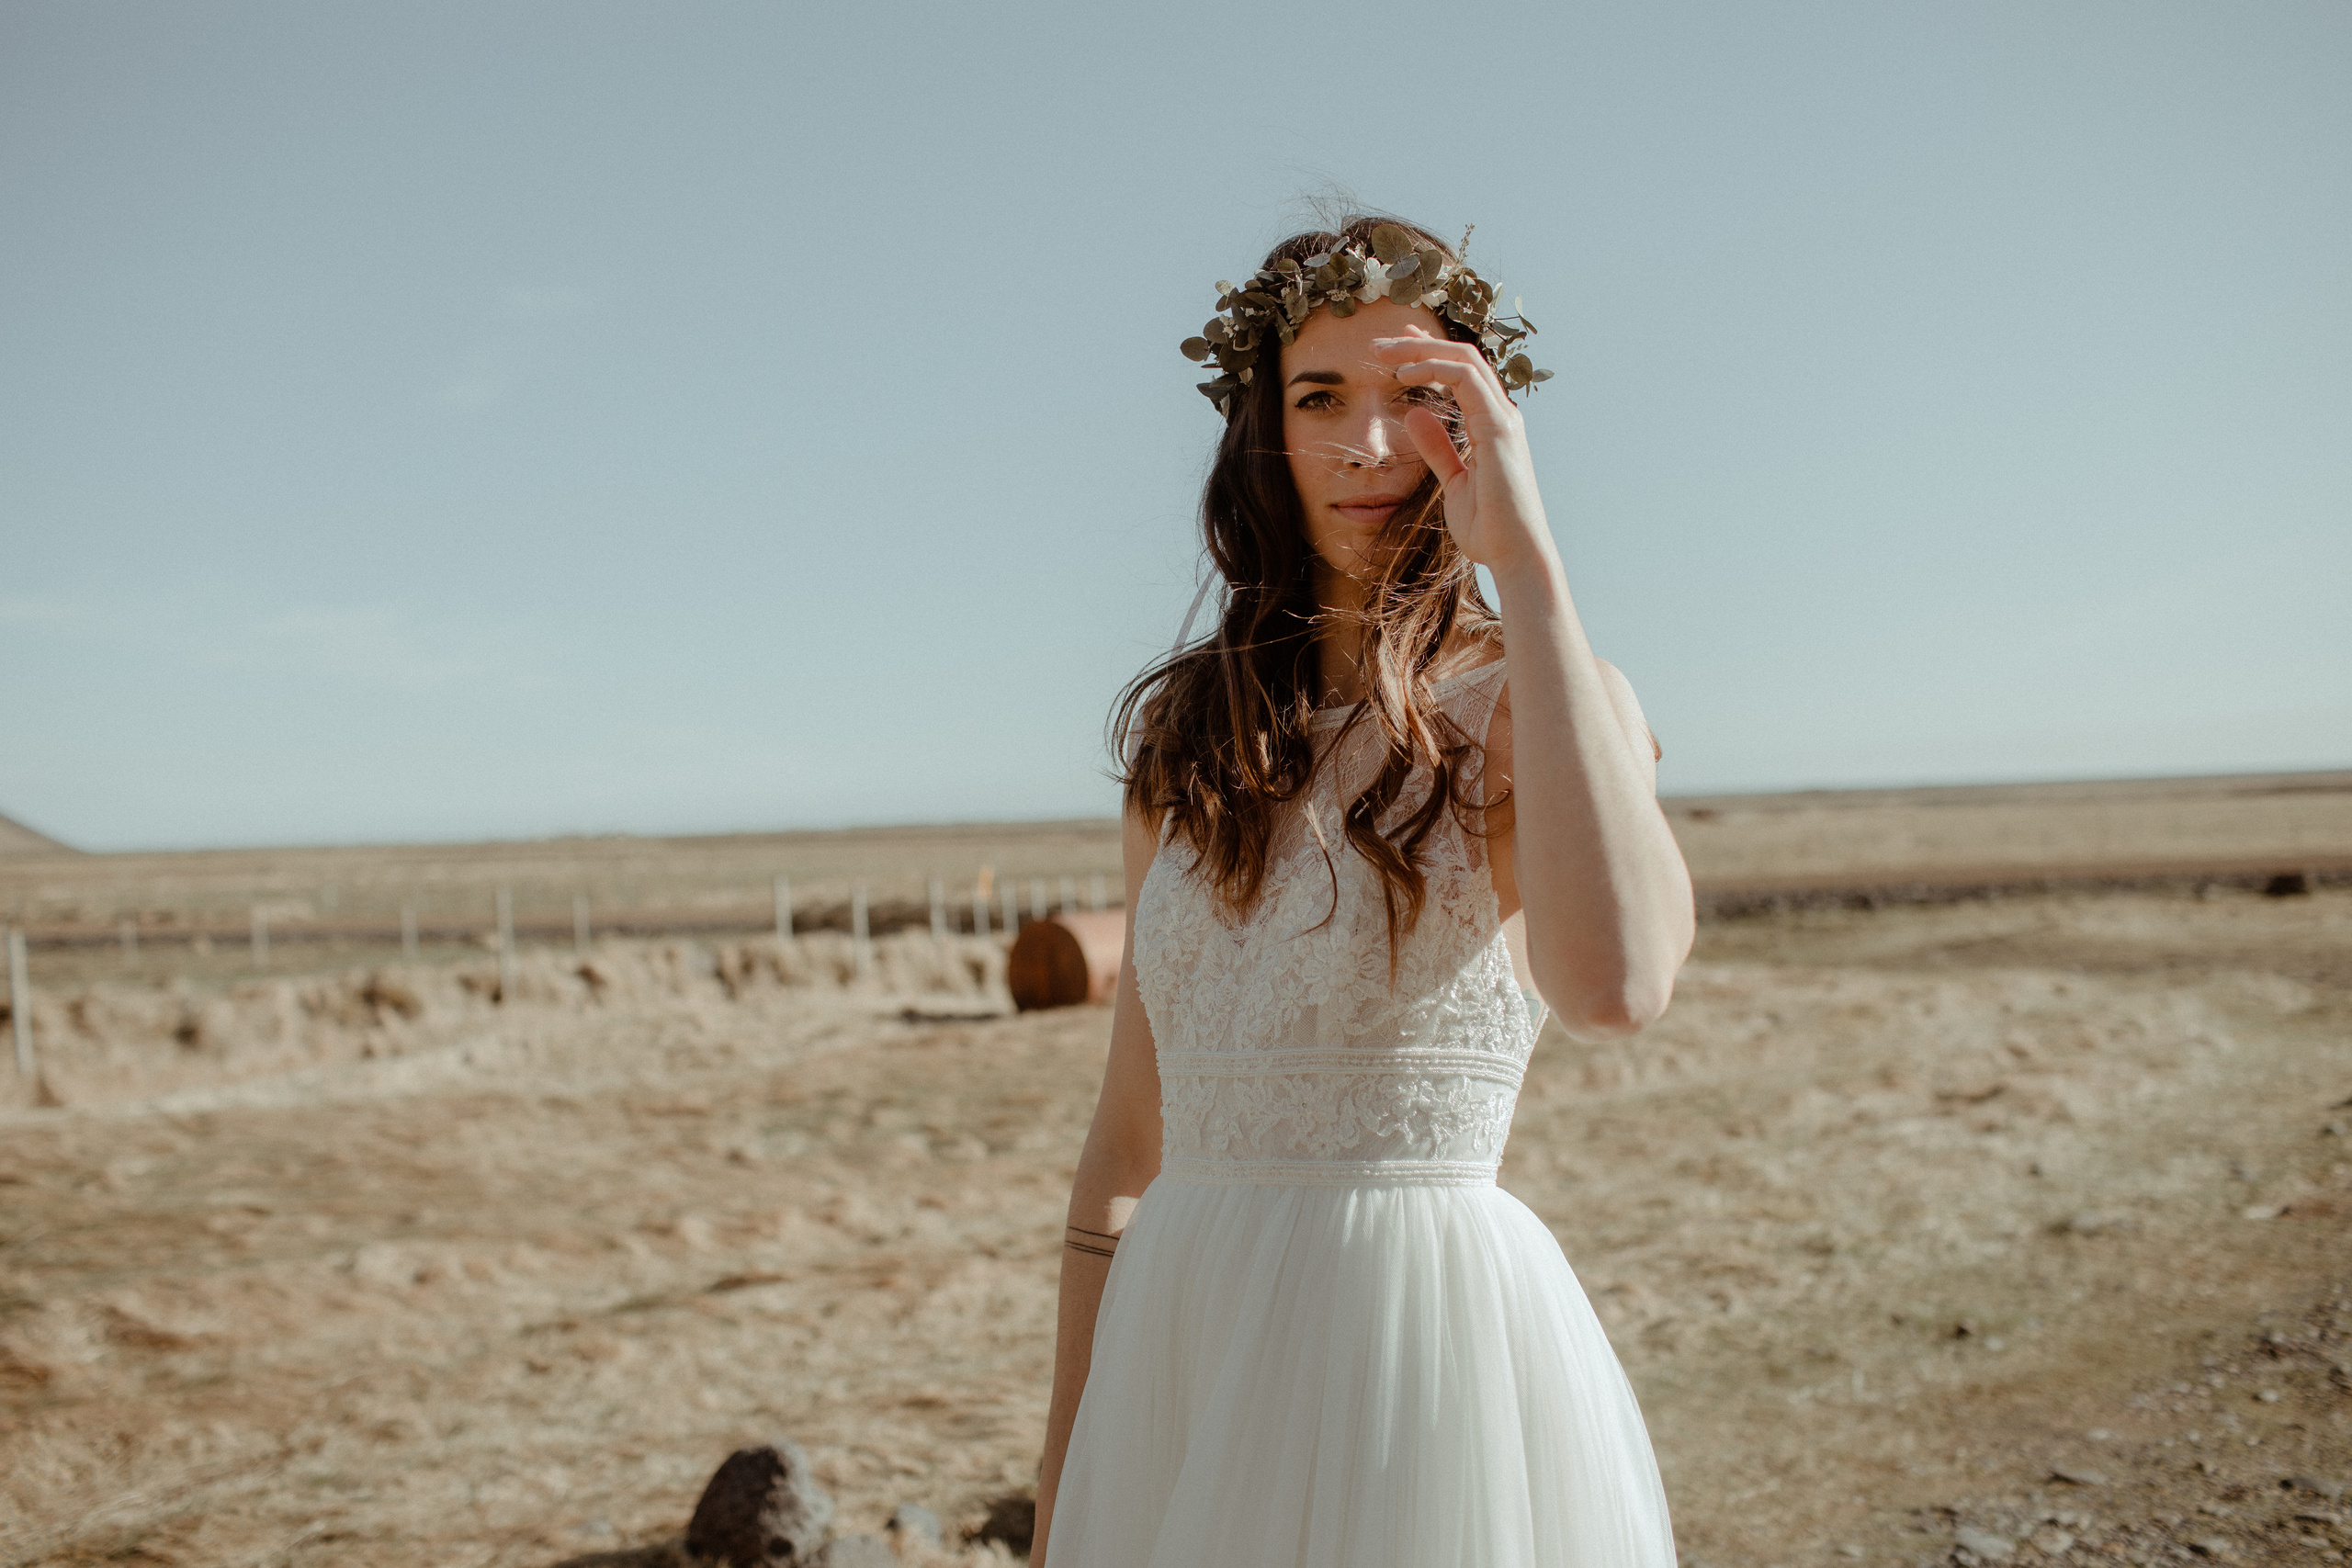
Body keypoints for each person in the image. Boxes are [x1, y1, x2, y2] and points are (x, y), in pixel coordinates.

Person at [1033, 214, 1693, 1568]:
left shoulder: (1542, 703)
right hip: (1180, 1358)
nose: (1369, 445)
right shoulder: (1187, 744)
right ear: (1261, 432)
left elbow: (1617, 987)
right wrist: (1064, 1464)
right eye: (1320, 396)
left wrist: (1531, 563)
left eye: (1420, 399)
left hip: (1420, 1361)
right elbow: (1125, 1144)